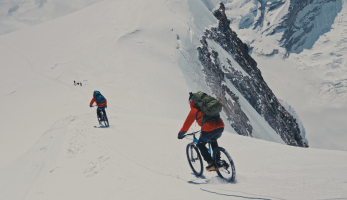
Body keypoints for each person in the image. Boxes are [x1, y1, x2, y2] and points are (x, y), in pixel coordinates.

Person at [178, 92, 225, 171]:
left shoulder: (194, 110)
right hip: (220, 126)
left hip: (209, 128)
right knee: (213, 140)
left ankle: (211, 163)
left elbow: (186, 125)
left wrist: (180, 134)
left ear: (191, 102)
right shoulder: (208, 107)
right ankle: (218, 161)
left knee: (200, 145)